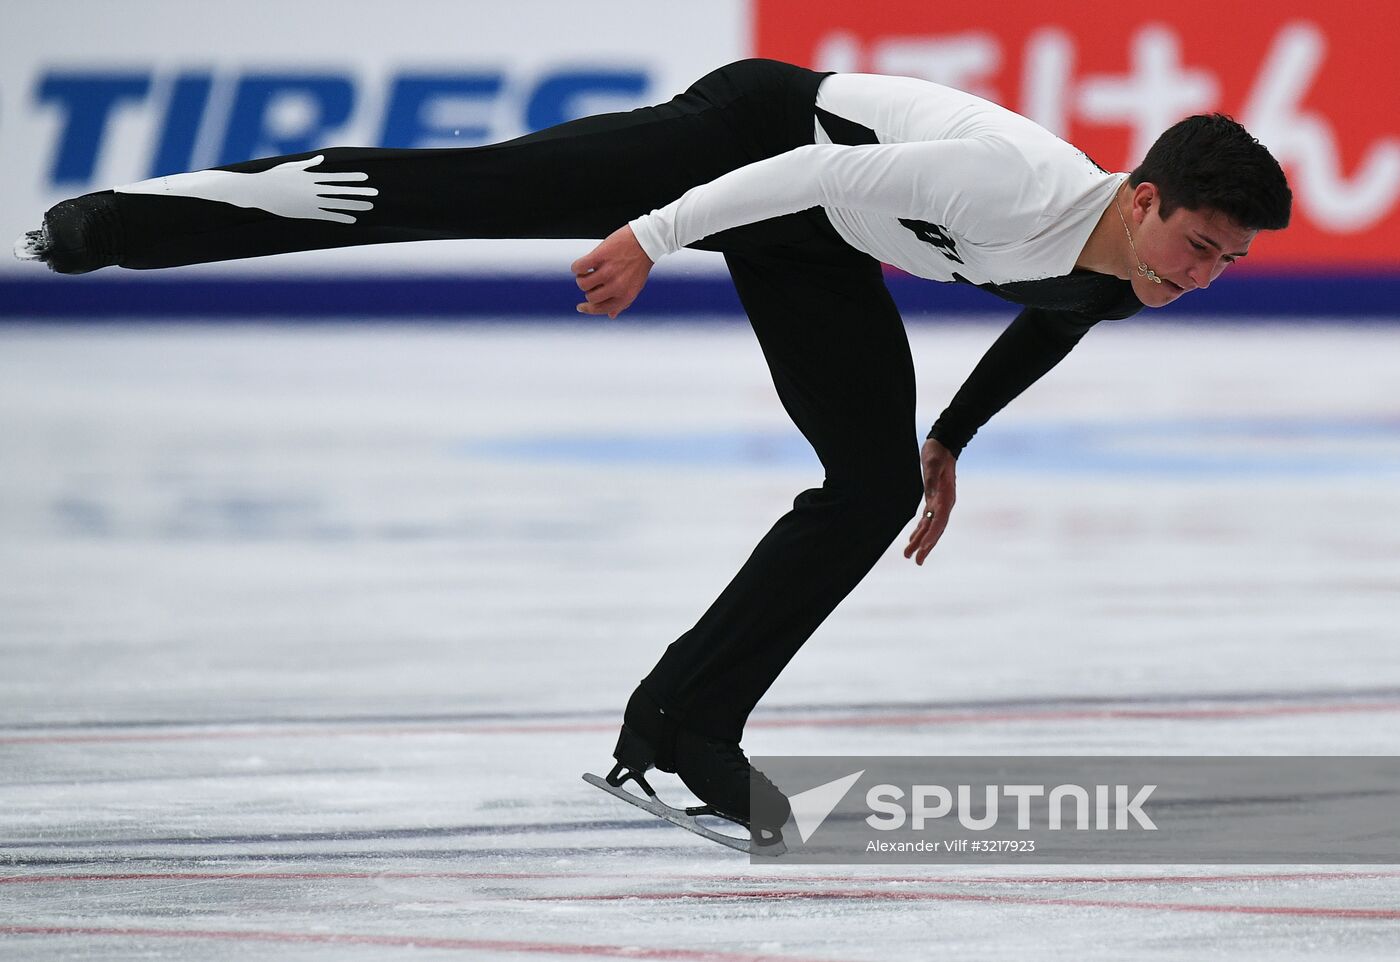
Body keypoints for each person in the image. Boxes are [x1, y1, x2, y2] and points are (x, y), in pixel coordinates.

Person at [14, 58, 1291, 834]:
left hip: (821, 241)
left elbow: (1056, 318)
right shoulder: (1016, 184)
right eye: (1196, 245)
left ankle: (683, 725)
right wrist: (655, 234)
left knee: (868, 488)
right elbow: (803, 174)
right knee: (477, 189)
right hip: (747, 143)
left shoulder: (1126, 272)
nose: (1205, 275)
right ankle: (129, 219)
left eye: (1227, 263)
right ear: (1140, 197)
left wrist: (949, 437)